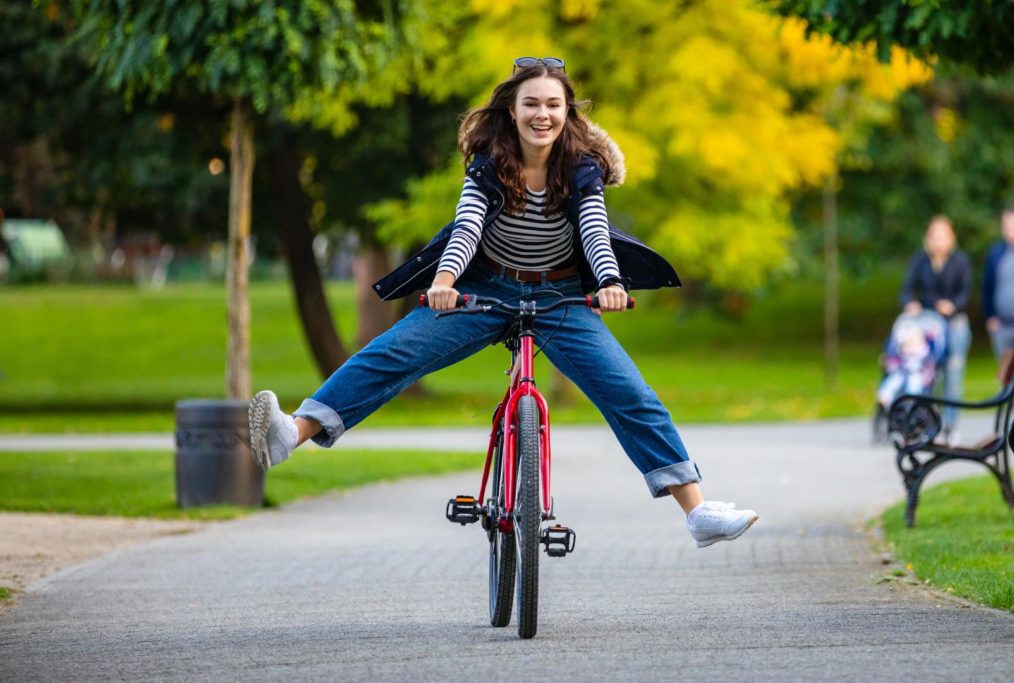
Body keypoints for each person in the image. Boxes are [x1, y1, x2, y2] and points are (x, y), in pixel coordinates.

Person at [249, 57, 758, 549]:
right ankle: (291, 434)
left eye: (554, 105)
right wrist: (445, 281)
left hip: (561, 296)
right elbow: (468, 226)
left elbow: (594, 228)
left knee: (629, 392)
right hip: (486, 289)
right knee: (393, 353)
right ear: (511, 111)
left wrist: (608, 281)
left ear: (569, 112)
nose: (543, 115)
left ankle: (697, 513)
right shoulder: (491, 165)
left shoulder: (582, 167)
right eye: (531, 104)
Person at [899, 215, 971, 442]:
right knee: (929, 374)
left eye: (943, 236)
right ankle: (931, 424)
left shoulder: (960, 261)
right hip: (929, 323)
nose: (938, 241)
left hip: (953, 324)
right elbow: (907, 290)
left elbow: (965, 293)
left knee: (953, 373)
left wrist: (951, 305)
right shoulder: (920, 261)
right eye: (934, 236)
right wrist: (910, 304)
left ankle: (951, 425)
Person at [983, 205, 1014, 364]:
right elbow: (987, 286)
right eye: (1007, 226)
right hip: (1002, 326)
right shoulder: (997, 253)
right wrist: (990, 316)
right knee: (1007, 373)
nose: (1011, 230)